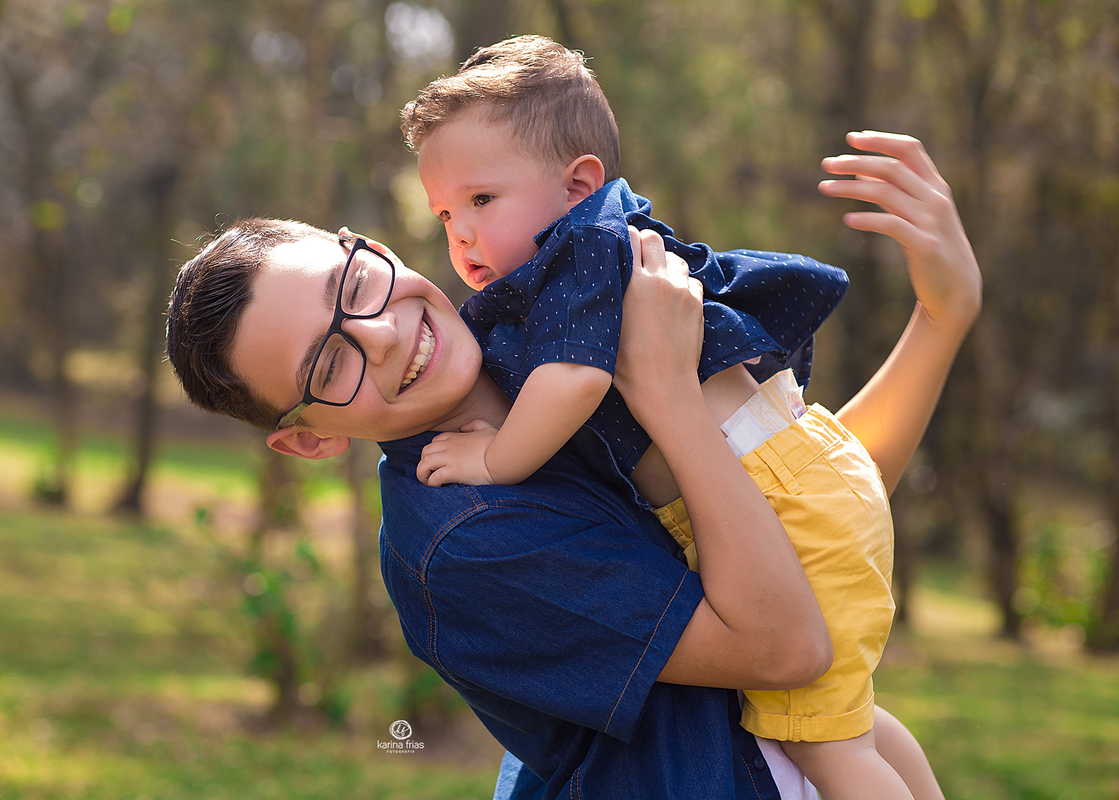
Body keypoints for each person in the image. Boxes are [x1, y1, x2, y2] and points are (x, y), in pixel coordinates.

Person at [164, 132, 981, 798]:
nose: (378, 334)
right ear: (309, 437)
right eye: (327, 366)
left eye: (355, 284)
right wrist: (667, 395)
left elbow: (801, 507)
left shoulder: (547, 339)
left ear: (372, 249)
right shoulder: (463, 543)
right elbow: (787, 643)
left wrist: (942, 317)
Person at [399, 35, 944, 800]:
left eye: (482, 200)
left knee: (832, 753)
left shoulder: (583, 253)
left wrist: (493, 461)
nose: (460, 233)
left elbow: (573, 383)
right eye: (446, 213)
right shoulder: (590, 254)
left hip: (780, 503)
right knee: (856, 725)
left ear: (578, 182)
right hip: (796, 473)